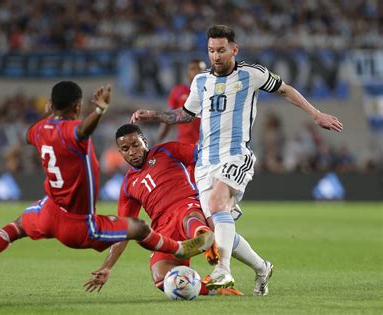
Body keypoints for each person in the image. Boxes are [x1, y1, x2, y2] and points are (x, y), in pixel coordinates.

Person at [0, 81, 214, 291]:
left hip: (48, 211)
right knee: (138, 228)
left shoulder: (38, 130)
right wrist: (100, 110)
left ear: (48, 107)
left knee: (15, 227)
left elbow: (29, 135)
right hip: (79, 224)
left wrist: (45, 119)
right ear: (78, 108)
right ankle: (180, 249)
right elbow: (82, 130)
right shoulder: (74, 131)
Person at [130, 25, 343, 295]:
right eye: (211, 51)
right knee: (218, 225)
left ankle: (223, 271)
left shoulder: (252, 74)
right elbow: (185, 115)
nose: (216, 56)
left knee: (219, 203)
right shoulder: (201, 82)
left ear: (234, 49)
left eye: (221, 50)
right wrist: (154, 114)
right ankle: (262, 267)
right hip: (205, 162)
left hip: (236, 155)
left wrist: (316, 114)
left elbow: (285, 89)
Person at [84, 124, 270, 297]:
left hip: (187, 205)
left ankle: (205, 238)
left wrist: (222, 190)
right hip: (164, 228)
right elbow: (124, 230)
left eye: (136, 145)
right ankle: (216, 288)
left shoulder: (167, 151)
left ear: (145, 142)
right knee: (162, 277)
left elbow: (207, 159)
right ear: (120, 153)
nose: (132, 152)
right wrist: (107, 266)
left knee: (191, 220)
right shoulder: (127, 185)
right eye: (126, 149)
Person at [156, 59, 206, 145]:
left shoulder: (212, 92)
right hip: (184, 143)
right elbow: (169, 117)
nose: (196, 72)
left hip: (205, 144)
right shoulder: (178, 91)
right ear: (187, 73)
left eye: (200, 69)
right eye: (193, 68)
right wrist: (158, 141)